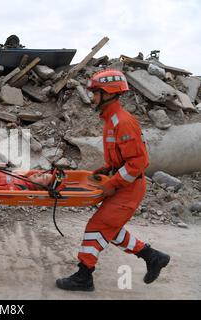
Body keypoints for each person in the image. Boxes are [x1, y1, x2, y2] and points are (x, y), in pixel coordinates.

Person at [56, 69, 170, 292]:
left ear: (109, 92)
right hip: (124, 184)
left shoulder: (123, 122)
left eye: (96, 93)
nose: (92, 97)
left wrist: (113, 182)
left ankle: (84, 275)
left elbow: (138, 163)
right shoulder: (111, 119)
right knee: (109, 227)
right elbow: (123, 158)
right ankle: (152, 256)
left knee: (97, 226)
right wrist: (108, 169)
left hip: (129, 188)